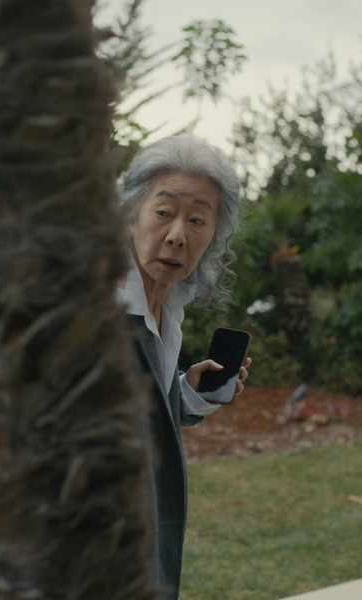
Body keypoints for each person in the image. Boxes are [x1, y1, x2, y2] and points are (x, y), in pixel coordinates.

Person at [116, 135, 251, 599]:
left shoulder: (166, 306)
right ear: (131, 214)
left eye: (197, 219)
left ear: (213, 235)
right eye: (163, 212)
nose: (177, 234)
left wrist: (186, 393)